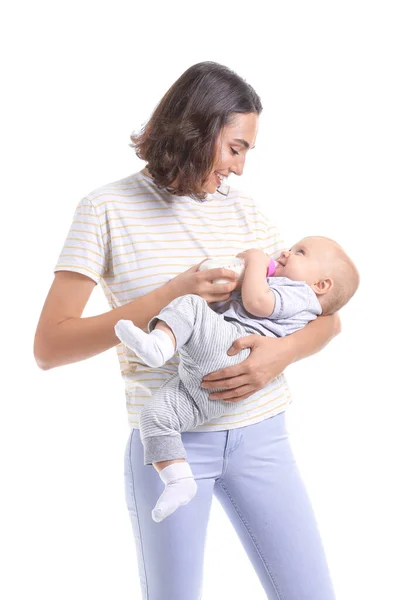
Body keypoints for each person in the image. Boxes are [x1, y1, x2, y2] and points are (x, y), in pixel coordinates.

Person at [34, 62, 341, 599]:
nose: (241, 168)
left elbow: (325, 314)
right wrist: (169, 296)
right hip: (170, 443)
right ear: (196, 131)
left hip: (263, 436)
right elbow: (49, 346)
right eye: (235, 148)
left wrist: (280, 355)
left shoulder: (246, 213)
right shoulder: (104, 209)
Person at [114, 237, 359, 523]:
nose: (285, 252)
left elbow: (257, 303)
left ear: (321, 285)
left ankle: (160, 345)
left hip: (233, 353)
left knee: (191, 305)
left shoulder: (300, 295)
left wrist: (256, 259)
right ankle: (177, 477)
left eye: (299, 252)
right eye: (291, 248)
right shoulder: (288, 291)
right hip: (213, 391)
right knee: (155, 416)